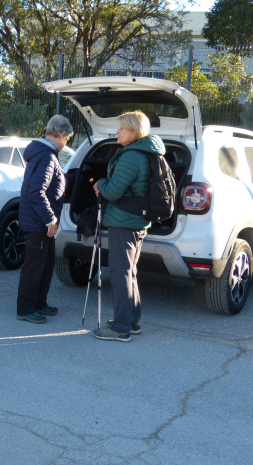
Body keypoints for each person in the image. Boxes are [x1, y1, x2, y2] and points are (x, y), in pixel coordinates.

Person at [92, 110, 164, 342]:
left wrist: (101, 183)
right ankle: (133, 322)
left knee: (120, 273)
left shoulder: (131, 156)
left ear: (133, 131)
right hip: (136, 221)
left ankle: (120, 328)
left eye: (122, 128)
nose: (118, 131)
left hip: (124, 222)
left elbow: (113, 191)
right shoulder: (145, 152)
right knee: (129, 272)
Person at [16, 115, 71, 324]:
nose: (66, 144)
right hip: (39, 221)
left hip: (41, 220)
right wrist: (50, 220)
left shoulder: (46, 154)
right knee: (34, 265)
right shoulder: (47, 156)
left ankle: (39, 302)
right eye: (67, 139)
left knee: (46, 263)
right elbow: (36, 192)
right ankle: (26, 308)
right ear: (62, 134)